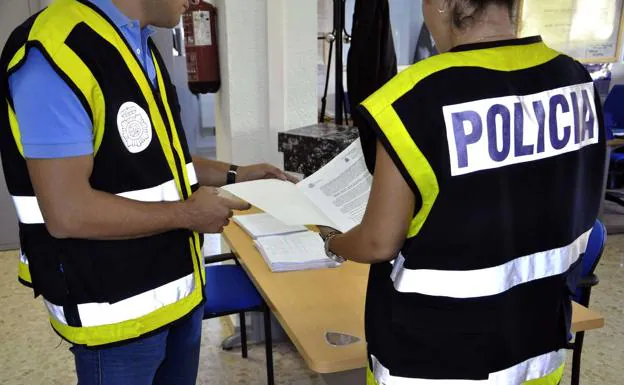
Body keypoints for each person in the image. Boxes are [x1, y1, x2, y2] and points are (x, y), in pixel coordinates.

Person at [0, 0, 295, 384]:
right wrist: (187, 214)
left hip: (176, 296)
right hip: (116, 315)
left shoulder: (138, 43)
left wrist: (237, 173)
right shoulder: (56, 52)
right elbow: (67, 211)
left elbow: (160, 160)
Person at [320, 0, 606, 383]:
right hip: (537, 346)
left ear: (443, 4)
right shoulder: (574, 78)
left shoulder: (413, 98)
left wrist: (333, 243)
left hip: (434, 358)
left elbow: (377, 244)